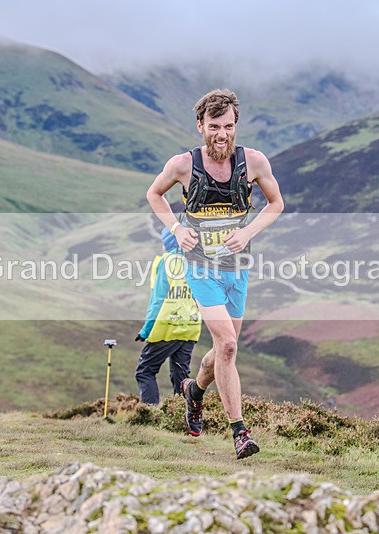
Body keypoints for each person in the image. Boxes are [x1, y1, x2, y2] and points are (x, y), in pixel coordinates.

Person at [146, 89, 284, 459]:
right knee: (227, 346)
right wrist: (177, 229)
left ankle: (194, 390)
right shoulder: (183, 165)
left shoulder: (253, 162)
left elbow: (276, 203)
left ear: (235, 125)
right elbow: (154, 194)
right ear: (200, 127)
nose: (221, 134)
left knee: (223, 354)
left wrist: (247, 232)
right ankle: (240, 433)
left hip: (236, 270)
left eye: (227, 126)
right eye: (213, 126)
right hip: (201, 269)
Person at [134, 227, 201, 405]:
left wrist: (146, 330)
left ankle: (149, 414)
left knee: (145, 370)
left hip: (168, 327)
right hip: (191, 327)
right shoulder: (196, 262)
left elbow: (158, 299)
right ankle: (182, 415)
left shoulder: (167, 262)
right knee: (181, 374)